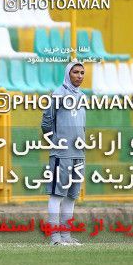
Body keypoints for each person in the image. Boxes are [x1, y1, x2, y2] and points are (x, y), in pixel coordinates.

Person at [41, 62, 86, 246]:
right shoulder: (58, 94)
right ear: (68, 74)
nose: (79, 75)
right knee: (57, 196)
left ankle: (66, 236)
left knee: (71, 196)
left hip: (79, 153)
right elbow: (46, 122)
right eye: (76, 72)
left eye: (82, 72)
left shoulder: (83, 96)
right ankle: (55, 238)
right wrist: (55, 142)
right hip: (62, 154)